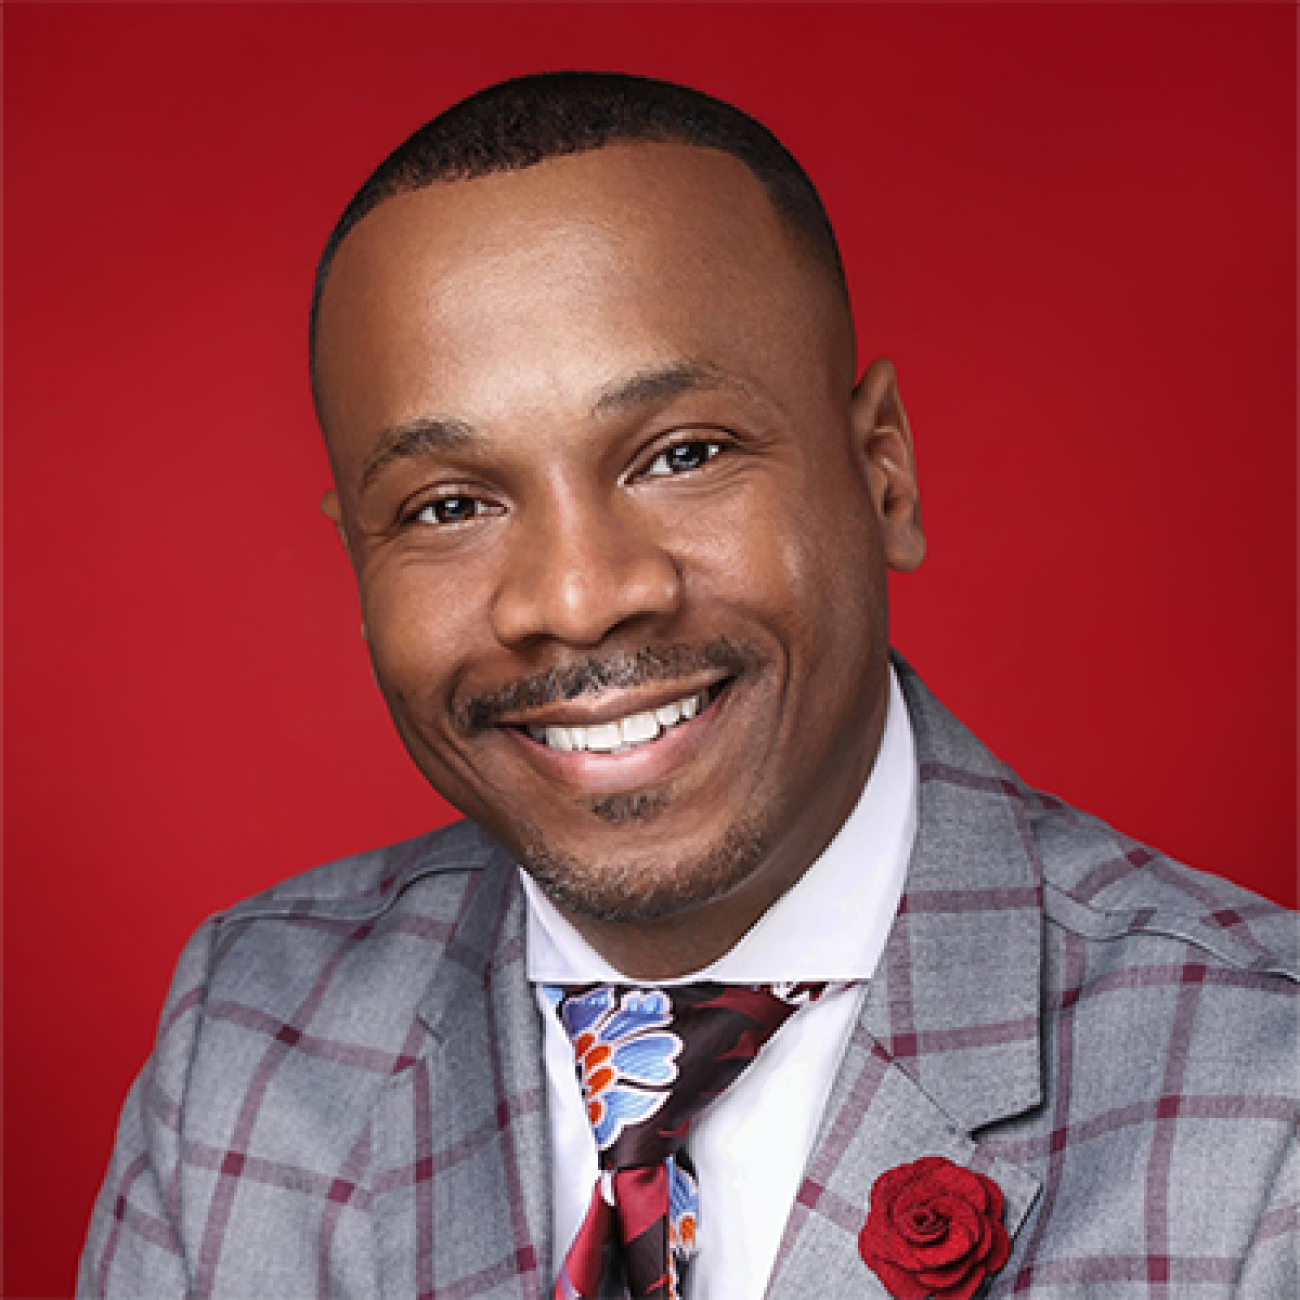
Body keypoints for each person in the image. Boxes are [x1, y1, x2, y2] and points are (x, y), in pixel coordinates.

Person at [79, 72, 1298, 1299]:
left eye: (682, 454)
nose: (574, 595)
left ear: (883, 478)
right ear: (358, 557)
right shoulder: (250, 1036)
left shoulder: (1265, 1108)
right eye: (448, 505)